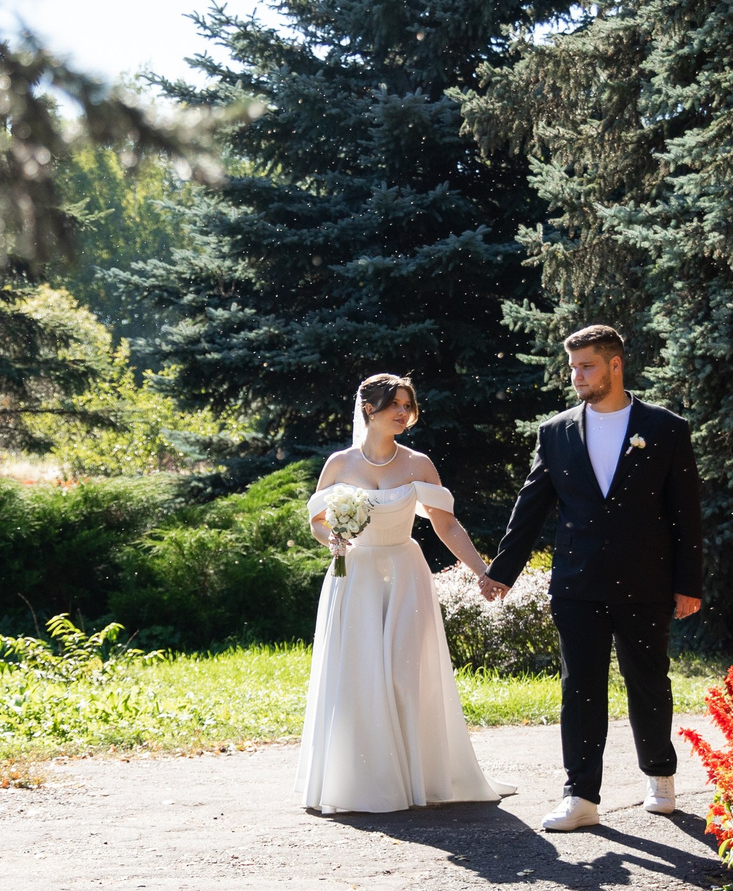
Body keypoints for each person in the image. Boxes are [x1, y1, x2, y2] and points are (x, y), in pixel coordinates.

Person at [478, 326, 704, 832]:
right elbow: (531, 506)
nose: (577, 376)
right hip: (577, 582)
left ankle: (660, 776)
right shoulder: (555, 432)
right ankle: (581, 794)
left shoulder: (665, 428)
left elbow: (686, 513)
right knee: (580, 686)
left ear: (615, 365)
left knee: (648, 681)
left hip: (647, 580)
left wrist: (689, 583)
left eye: (587, 367)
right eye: (573, 367)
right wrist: (502, 572)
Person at [297, 373, 514, 813]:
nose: (403, 412)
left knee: (405, 672)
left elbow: (445, 523)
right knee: (358, 675)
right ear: (368, 410)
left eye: (408, 405)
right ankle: (363, 780)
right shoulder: (339, 464)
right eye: (394, 404)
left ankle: (418, 775)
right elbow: (318, 522)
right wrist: (336, 542)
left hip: (405, 571)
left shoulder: (418, 464)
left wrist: (482, 571)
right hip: (354, 575)